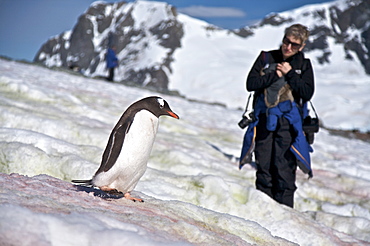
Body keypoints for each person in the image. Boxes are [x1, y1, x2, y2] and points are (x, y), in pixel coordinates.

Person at [242, 24, 315, 208]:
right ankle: (262, 213)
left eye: (294, 45)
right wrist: (275, 75)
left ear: (302, 46)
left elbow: (306, 93)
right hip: (264, 121)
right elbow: (251, 84)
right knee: (264, 169)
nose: (288, 47)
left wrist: (289, 74)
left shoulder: (303, 65)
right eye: (286, 42)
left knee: (284, 172)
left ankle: (284, 217)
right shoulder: (266, 57)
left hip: (289, 126)